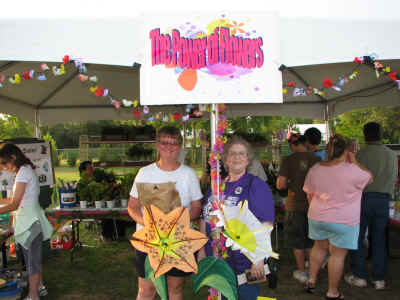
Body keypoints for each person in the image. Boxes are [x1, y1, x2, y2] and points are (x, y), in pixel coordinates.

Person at [128, 126, 203, 300]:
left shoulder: (188, 174)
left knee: (174, 289)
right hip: (148, 241)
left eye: (174, 142)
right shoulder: (144, 173)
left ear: (180, 146)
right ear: (157, 144)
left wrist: (180, 220)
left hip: (178, 241)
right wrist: (148, 223)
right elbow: (132, 206)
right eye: (164, 142)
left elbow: (197, 207)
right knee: (147, 289)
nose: (169, 147)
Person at [199, 136, 275, 300]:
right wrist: (201, 251)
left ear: (248, 159)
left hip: (245, 260)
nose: (237, 157)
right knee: (220, 296)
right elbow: (205, 218)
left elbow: (266, 224)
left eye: (242, 154)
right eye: (232, 154)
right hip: (215, 257)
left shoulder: (256, 185)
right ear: (225, 159)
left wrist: (259, 258)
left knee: (245, 296)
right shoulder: (215, 187)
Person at [303, 134, 372, 300]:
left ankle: (311, 280)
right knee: (337, 254)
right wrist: (353, 159)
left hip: (317, 216)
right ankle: (332, 292)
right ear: (347, 151)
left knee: (319, 247)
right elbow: (370, 177)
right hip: (344, 220)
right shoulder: (353, 170)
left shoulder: (316, 168)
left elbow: (309, 194)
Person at [345, 122, 398, 290]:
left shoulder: (360, 155)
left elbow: (351, 179)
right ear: (381, 134)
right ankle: (379, 278)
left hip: (362, 199)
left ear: (365, 135)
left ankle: (359, 275)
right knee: (379, 239)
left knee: (358, 238)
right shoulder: (391, 155)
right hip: (384, 200)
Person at [0, 143, 53, 300]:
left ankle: (33, 295)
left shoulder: (23, 172)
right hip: (29, 220)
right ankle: (40, 286)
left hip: (30, 222)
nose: (3, 167)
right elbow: (15, 199)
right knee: (33, 259)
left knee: (32, 262)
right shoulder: (24, 171)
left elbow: (15, 204)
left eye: (4, 163)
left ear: (13, 158)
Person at [276, 133, 321, 283]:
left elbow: (280, 185)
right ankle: (312, 270)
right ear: (305, 143)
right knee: (311, 241)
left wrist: (289, 182)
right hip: (314, 205)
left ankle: (302, 272)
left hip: (294, 204)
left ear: (292, 145)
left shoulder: (289, 160)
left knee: (298, 241)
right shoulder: (317, 159)